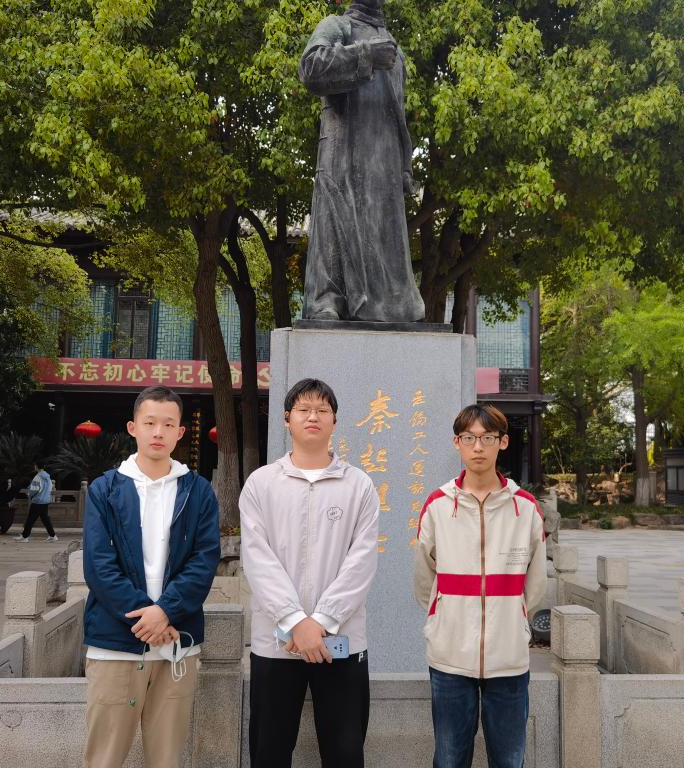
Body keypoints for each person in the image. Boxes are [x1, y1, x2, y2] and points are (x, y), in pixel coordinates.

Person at [240, 378, 380, 768]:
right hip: (276, 643)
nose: (313, 416)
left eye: (322, 410)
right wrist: (294, 621)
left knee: (345, 752)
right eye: (303, 410)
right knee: (269, 751)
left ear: (335, 421)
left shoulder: (358, 485)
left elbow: (361, 561)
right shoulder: (262, 484)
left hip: (341, 642)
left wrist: (320, 622)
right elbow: (257, 558)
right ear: (287, 419)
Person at [82, 385, 220, 768]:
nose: (158, 432)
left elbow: (204, 561)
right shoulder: (106, 490)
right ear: (133, 427)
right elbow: (98, 565)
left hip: (176, 644)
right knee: (103, 758)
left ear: (180, 432)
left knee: (166, 758)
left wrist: (166, 612)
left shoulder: (198, 492)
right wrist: (147, 615)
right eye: (150, 423)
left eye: (168, 424)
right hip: (115, 644)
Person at [413, 404, 547, 768]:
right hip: (450, 656)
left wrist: (516, 620)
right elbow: (424, 577)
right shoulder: (438, 505)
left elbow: (536, 583)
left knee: (509, 760)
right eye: (469, 437)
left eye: (487, 438)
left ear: (502, 442)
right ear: (456, 442)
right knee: (450, 759)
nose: (478, 447)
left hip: (509, 658)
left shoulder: (525, 508)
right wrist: (442, 617)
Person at [297, 0, 425, 322]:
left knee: (384, 238)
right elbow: (310, 69)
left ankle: (392, 307)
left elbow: (397, 111)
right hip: (344, 153)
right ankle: (329, 301)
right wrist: (365, 55)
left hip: (384, 161)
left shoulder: (393, 47)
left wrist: (404, 163)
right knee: (337, 224)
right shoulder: (337, 26)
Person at [15, 461, 57, 542]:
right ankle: (53, 536)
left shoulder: (38, 477)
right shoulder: (48, 477)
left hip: (37, 501)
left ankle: (24, 537)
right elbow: (50, 488)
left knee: (30, 519)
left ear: (36, 466)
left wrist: (30, 495)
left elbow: (34, 489)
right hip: (45, 501)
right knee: (45, 519)